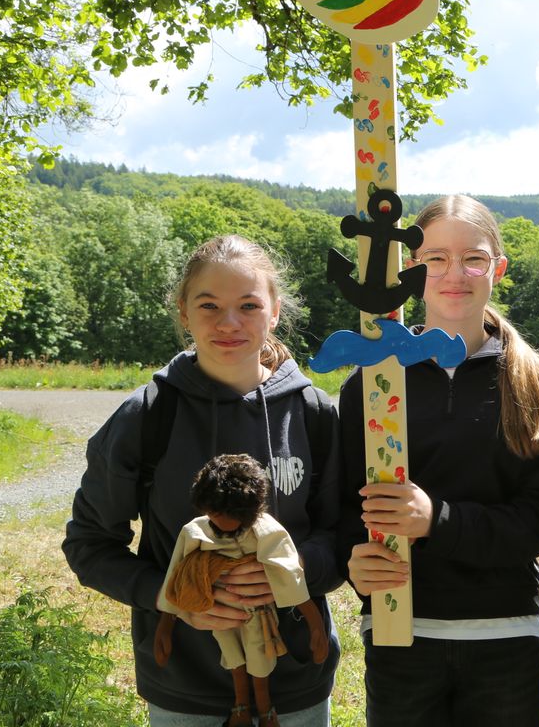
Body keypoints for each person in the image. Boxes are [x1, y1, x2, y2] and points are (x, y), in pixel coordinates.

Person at [63, 234, 343, 726]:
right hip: (183, 688)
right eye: (208, 304)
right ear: (183, 311)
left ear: (274, 311)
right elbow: (89, 546)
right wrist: (173, 596)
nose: (228, 322)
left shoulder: (314, 414)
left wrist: (296, 568)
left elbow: (345, 535)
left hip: (298, 681)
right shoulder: (146, 416)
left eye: (248, 305)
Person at [339, 194, 539, 727]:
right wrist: (355, 561)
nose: (454, 274)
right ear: (411, 269)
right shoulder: (375, 380)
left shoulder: (531, 379)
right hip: (400, 634)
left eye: (474, 258)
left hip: (505, 636)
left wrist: (437, 520)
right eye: (435, 258)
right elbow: (345, 506)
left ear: (498, 269)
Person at [154, 453, 330, 727]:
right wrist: (166, 621)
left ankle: (265, 708)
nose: (220, 523)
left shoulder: (266, 532)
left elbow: (288, 571)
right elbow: (177, 574)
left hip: (256, 611)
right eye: (213, 515)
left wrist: (315, 624)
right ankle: (241, 708)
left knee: (259, 657)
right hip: (215, 610)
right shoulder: (196, 532)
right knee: (233, 656)